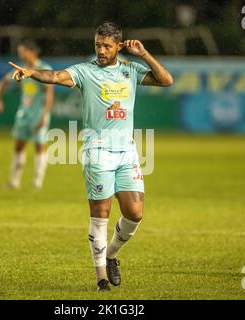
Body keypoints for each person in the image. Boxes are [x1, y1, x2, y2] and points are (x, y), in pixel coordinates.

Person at [9, 22, 173, 291]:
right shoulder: (85, 71)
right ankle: (100, 278)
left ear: (119, 46)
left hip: (127, 151)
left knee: (135, 213)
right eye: (97, 44)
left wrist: (143, 54)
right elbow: (55, 76)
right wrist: (30, 73)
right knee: (101, 213)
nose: (101, 50)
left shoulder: (130, 70)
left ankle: (111, 256)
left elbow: (166, 80)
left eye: (107, 46)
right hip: (97, 151)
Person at [0, 40, 54, 190]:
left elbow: (49, 94)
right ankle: (14, 181)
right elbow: (3, 81)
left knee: (40, 146)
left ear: (32, 51)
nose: (20, 55)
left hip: (39, 114)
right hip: (24, 114)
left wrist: (44, 115)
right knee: (18, 146)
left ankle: (37, 183)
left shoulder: (44, 68)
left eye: (22, 51)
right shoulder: (22, 69)